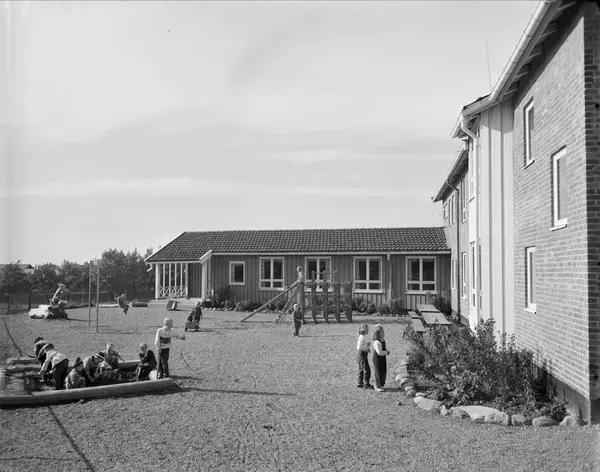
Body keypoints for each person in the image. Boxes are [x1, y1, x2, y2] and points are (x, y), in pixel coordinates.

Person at [371, 324, 391, 392]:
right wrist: (386, 352)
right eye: (382, 332)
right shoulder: (377, 342)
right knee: (378, 371)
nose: (384, 333)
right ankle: (377, 385)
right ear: (379, 334)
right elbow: (379, 352)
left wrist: (386, 350)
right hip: (377, 358)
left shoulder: (382, 340)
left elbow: (383, 348)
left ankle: (381, 383)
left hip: (382, 358)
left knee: (383, 370)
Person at [356, 324, 374, 389]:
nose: (368, 330)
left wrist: (367, 345)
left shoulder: (362, 337)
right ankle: (366, 383)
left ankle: (360, 382)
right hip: (362, 354)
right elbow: (360, 347)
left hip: (361, 354)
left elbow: (362, 346)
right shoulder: (362, 338)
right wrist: (366, 347)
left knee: (361, 369)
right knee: (366, 369)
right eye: (367, 329)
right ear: (364, 330)